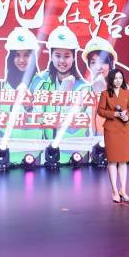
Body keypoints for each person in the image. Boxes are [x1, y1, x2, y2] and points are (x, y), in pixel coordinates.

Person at [30, 26, 93, 161]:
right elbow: (34, 118)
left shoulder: (84, 88)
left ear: (74, 57)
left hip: (75, 157)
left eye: (67, 56)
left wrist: (66, 98)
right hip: (47, 155)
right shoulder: (40, 82)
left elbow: (82, 124)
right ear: (51, 55)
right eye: (58, 55)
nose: (62, 61)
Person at [82, 36, 129, 136]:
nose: (98, 67)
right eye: (93, 62)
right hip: (93, 145)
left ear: (110, 64)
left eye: (103, 62)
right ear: (89, 66)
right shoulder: (86, 91)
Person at [0, 27, 41, 162]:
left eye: (26, 55)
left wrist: (29, 106)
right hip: (6, 154)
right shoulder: (3, 85)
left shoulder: (42, 83)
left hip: (33, 155)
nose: (21, 60)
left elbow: (48, 120)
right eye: (17, 55)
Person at [97, 68, 129, 204]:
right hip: (111, 129)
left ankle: (123, 190)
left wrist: (127, 117)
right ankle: (114, 190)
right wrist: (115, 114)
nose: (118, 80)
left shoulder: (128, 93)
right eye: (115, 78)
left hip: (124, 129)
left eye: (120, 78)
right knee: (112, 161)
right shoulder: (105, 94)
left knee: (123, 161)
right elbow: (100, 111)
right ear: (111, 80)